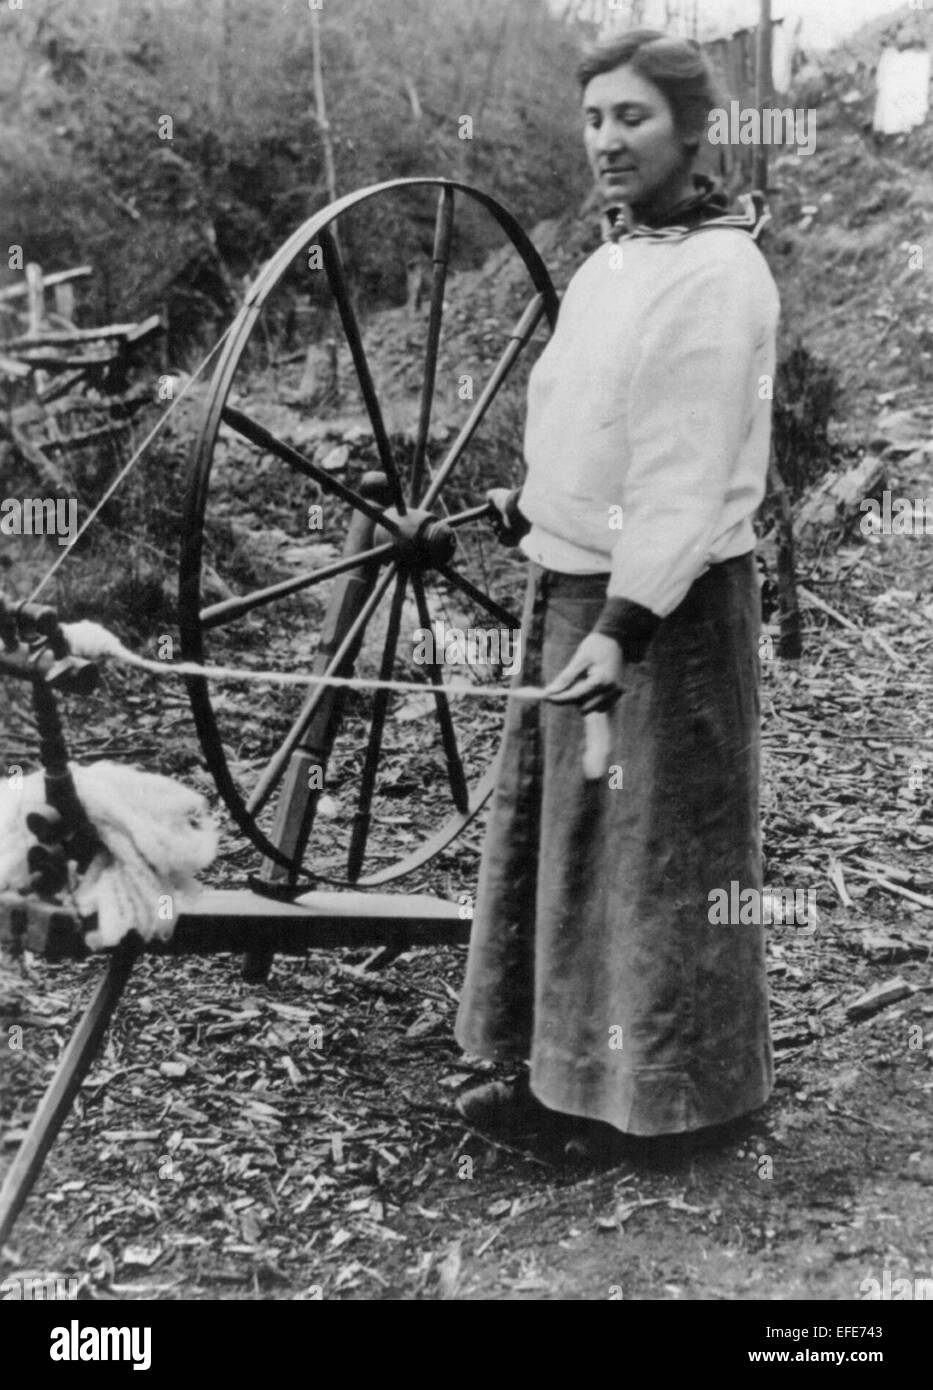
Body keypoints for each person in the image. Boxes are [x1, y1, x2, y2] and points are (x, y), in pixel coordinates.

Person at [454, 29, 781, 1156]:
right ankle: (566, 1082)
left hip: (666, 613)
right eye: (594, 118)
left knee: (653, 854)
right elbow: (594, 423)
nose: (606, 141)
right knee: (578, 844)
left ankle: (663, 1107)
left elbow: (686, 475)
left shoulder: (718, 273)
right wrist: (534, 502)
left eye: (632, 118)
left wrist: (625, 622)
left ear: (692, 132)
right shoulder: (614, 261)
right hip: (581, 591)